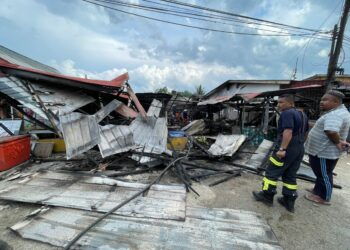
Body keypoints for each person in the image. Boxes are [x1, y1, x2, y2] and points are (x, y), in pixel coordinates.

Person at [253, 94, 308, 213]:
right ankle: (289, 201)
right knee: (290, 174)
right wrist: (299, 145)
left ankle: (267, 196)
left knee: (272, 172)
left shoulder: (287, 113)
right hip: (299, 147)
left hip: (287, 147)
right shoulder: (302, 114)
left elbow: (288, 131)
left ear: (290, 103)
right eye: (278, 102)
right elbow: (306, 132)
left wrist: (282, 149)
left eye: (281, 102)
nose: (278, 105)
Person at [304, 90, 350, 205]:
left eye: (325, 100)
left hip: (324, 151)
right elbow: (326, 127)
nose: (321, 102)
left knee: (324, 174)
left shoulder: (335, 114)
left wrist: (337, 142)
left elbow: (331, 131)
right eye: (321, 99)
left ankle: (324, 197)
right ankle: (317, 190)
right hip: (322, 150)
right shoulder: (337, 112)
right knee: (321, 173)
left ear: (335, 102)